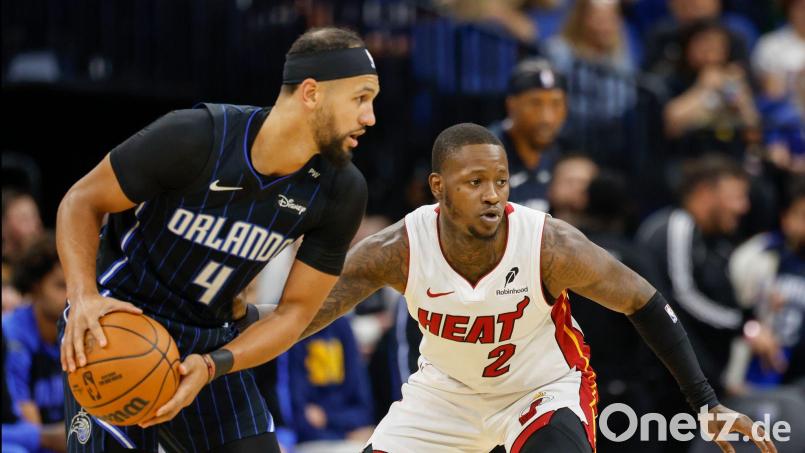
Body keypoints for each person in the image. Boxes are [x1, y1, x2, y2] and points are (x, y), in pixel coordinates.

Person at [275, 123, 775, 452]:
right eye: (474, 182)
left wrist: (706, 402)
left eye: (501, 181)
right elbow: (299, 317)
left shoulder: (549, 243)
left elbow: (644, 301)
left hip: (540, 391)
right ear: (437, 188)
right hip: (444, 395)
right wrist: (222, 353)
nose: (492, 195)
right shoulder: (398, 248)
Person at [56, 27, 378, 452]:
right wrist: (82, 297)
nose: (370, 117)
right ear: (312, 93)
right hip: (119, 322)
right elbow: (81, 200)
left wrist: (213, 365)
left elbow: (294, 315)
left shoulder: (340, 191)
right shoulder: (197, 137)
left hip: (210, 338)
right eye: (361, 98)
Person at [3, 233, 67, 452]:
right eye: (61, 285)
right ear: (36, 286)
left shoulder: (81, 328)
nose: (72, 296)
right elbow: (33, 430)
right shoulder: (11, 336)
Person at [488, 58, 569, 212]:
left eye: (556, 104)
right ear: (511, 105)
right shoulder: (485, 151)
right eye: (535, 103)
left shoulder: (556, 152)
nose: (547, 118)